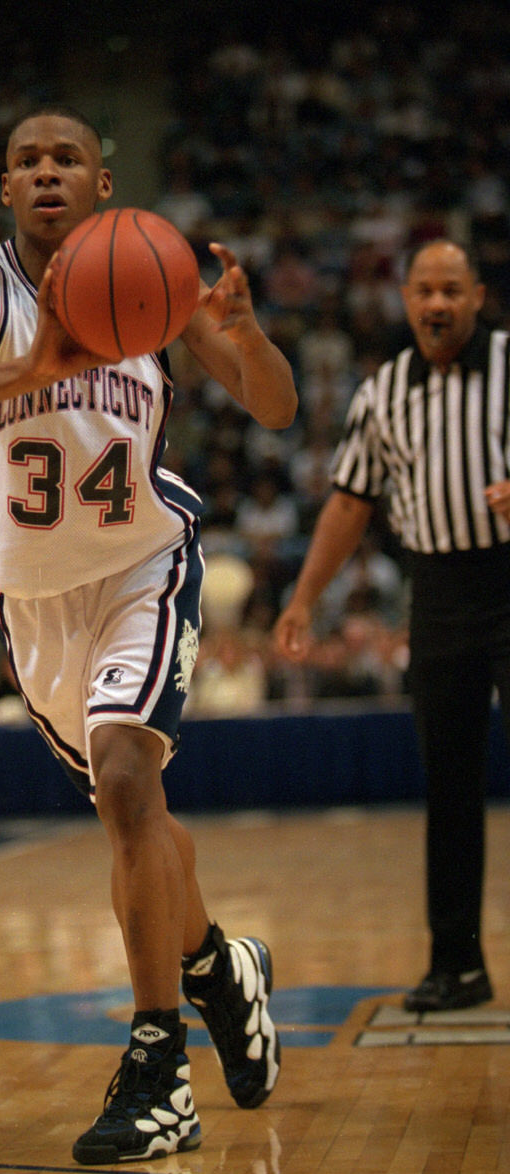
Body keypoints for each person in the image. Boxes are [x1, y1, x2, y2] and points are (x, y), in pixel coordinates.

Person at [0, 105, 297, 1163]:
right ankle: (214, 964)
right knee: (128, 808)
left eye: (67, 159)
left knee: (127, 782)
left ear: (104, 185)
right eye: (26, 161)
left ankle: (158, 1069)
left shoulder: (152, 267)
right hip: (35, 601)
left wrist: (238, 329)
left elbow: (273, 407)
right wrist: (26, 369)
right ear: (4, 189)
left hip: (145, 562)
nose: (46, 172)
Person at [274, 239, 510, 1015]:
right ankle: (456, 965)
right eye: (423, 291)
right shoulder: (381, 393)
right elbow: (349, 503)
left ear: (477, 295)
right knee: (448, 786)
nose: (437, 304)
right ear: (404, 299)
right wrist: (304, 597)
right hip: (438, 591)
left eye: (452, 289)